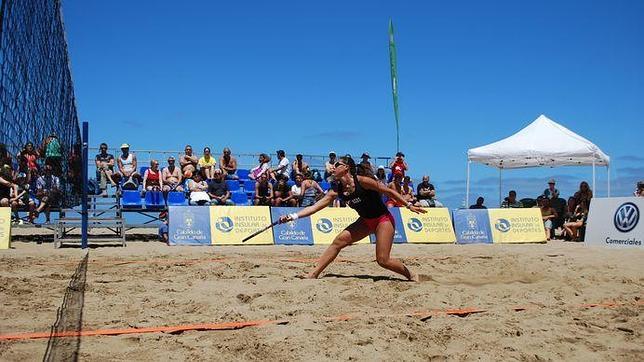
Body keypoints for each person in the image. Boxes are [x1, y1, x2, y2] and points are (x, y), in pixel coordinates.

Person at [278, 155, 426, 281]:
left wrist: (408, 205)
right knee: (338, 242)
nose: (333, 167)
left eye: (337, 165)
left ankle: (411, 274)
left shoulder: (362, 181)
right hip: (365, 222)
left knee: (383, 260)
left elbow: (388, 191)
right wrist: (292, 216)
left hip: (382, 219)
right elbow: (314, 207)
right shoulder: (336, 191)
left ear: (346, 168)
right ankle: (313, 274)